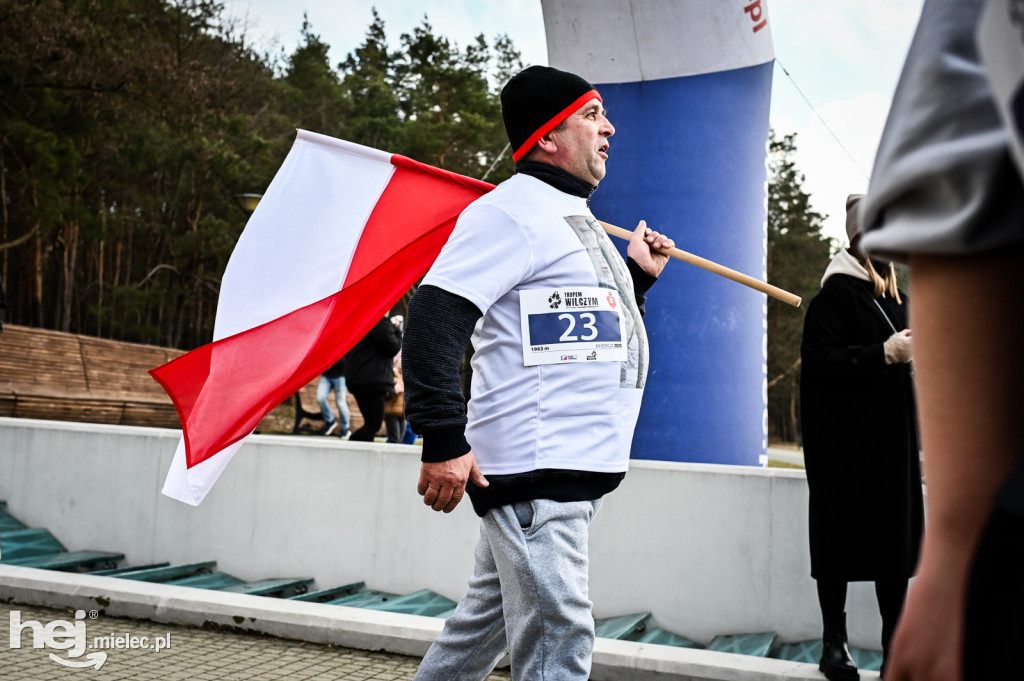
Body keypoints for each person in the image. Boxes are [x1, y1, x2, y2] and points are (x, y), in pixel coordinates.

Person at [401, 65, 674, 681]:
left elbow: (576, 327)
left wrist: (636, 280)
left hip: (563, 471)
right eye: (590, 115)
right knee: (560, 638)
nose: (609, 127)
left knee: (477, 635)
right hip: (536, 475)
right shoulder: (513, 212)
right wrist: (443, 437)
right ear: (548, 137)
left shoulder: (568, 214)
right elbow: (434, 318)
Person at [856, 1, 1024, 680]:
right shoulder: (844, 294)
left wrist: (956, 543)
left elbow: (958, 169)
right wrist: (958, 540)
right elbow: (966, 176)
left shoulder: (883, 291)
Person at [800, 194, 923, 680]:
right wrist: (883, 354)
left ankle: (896, 649)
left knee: (894, 551)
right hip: (844, 451)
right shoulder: (834, 297)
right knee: (837, 546)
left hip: (892, 447)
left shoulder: (898, 298)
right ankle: (835, 646)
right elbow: (819, 363)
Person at [344, 314, 403, 442]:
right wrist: (397, 330)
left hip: (360, 379)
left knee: (370, 423)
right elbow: (392, 347)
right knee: (374, 424)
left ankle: (359, 452)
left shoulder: (362, 320)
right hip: (372, 381)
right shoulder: (379, 321)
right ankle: (350, 448)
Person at [316, 357, 350, 437]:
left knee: (341, 403)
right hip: (326, 375)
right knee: (320, 398)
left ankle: (345, 428)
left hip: (340, 375)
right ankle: (330, 421)